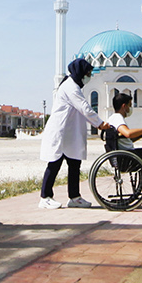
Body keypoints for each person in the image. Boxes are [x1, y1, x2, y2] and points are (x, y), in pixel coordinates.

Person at [40, 58, 114, 208]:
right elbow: (84, 107)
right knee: (54, 164)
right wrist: (100, 123)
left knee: (74, 163)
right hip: (60, 132)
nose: (89, 76)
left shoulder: (74, 86)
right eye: (87, 73)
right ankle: (45, 197)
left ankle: (74, 197)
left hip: (70, 134)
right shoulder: (70, 86)